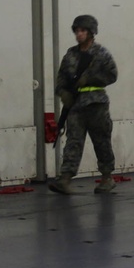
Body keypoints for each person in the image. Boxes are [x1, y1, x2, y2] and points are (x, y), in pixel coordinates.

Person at [49, 15, 118, 195]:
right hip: (76, 106)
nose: (78, 34)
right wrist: (63, 93)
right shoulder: (71, 54)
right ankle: (65, 178)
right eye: (77, 31)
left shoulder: (101, 53)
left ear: (91, 32)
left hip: (97, 105)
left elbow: (112, 75)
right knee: (73, 141)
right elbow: (61, 78)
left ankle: (107, 177)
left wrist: (91, 79)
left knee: (101, 141)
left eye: (82, 31)